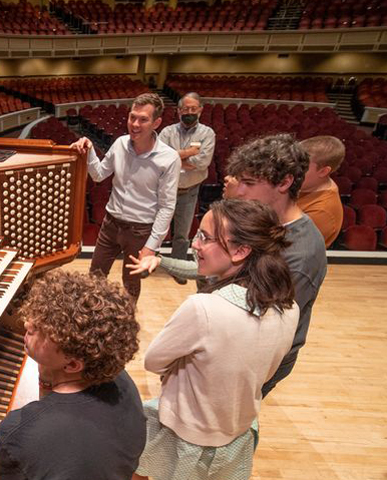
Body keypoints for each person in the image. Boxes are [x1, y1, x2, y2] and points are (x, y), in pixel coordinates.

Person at [133, 134, 327, 397]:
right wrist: (163, 262)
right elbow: (220, 270)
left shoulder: (299, 255)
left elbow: (262, 326)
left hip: (253, 359)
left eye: (249, 183)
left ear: (284, 183)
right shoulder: (260, 224)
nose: (241, 190)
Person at [131, 199, 299, 480]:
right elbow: (267, 371)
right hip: (238, 432)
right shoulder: (289, 306)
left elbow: (153, 361)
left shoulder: (203, 308)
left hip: (184, 434)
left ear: (241, 251)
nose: (195, 245)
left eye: (205, 238)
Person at [0, 270, 146, 480]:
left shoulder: (19, 434)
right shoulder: (122, 381)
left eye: (43, 329)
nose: (27, 324)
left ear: (72, 364)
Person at [70, 93, 180, 302]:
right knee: (95, 276)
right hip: (111, 223)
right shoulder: (120, 144)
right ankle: (91, 320)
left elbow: (167, 207)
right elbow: (99, 174)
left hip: (140, 230)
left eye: (143, 119)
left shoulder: (169, 158)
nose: (135, 124)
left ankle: (125, 325)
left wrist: (150, 247)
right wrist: (90, 149)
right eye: (132, 117)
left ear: (156, 122)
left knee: (130, 284)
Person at [159, 92, 216, 284]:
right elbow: (160, 159)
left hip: (189, 190)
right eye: (185, 109)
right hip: (165, 189)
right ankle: (149, 262)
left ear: (200, 110)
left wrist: (176, 158)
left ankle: (177, 267)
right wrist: (189, 153)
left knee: (182, 234)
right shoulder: (167, 132)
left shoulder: (207, 133)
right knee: (154, 228)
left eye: (193, 109)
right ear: (178, 111)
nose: (189, 112)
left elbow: (202, 162)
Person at [297, 135, 345, 247]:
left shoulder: (322, 211)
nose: (290, 170)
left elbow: (287, 250)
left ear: (323, 171)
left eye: (301, 167)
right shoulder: (306, 184)